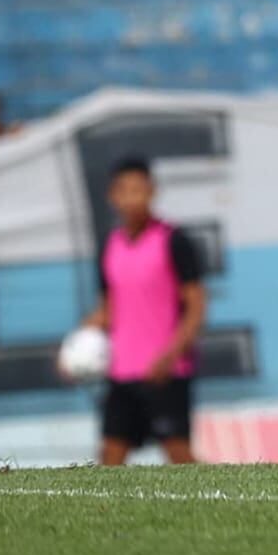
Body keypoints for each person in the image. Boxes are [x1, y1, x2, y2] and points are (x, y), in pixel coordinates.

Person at [70, 157, 206, 465]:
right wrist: (75, 352)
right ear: (112, 196)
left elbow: (196, 306)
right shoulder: (112, 246)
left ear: (152, 192)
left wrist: (170, 356)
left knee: (179, 454)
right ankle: (105, 514)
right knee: (111, 455)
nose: (132, 198)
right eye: (125, 190)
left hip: (165, 371)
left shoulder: (173, 240)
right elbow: (108, 311)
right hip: (122, 371)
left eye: (139, 190)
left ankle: (223, 507)